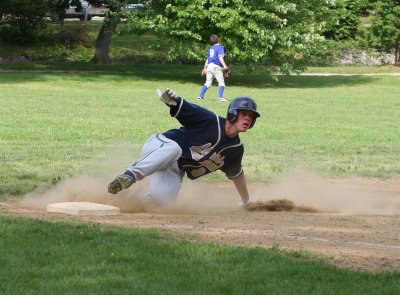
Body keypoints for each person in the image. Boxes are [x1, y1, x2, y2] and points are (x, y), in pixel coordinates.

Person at [108, 88, 260, 208]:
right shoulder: (210, 120)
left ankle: (118, 195)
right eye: (244, 113)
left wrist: (246, 201)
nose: (248, 118)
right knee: (175, 149)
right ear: (232, 113)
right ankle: (130, 175)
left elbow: (237, 175)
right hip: (160, 145)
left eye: (251, 117)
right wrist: (171, 100)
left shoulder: (235, 149)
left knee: (162, 203)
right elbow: (184, 106)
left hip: (174, 168)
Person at [198, 34, 230, 102]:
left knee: (207, 83)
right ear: (218, 39)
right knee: (221, 82)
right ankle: (220, 97)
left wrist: (204, 68)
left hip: (209, 66)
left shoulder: (211, 48)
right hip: (215, 66)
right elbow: (220, 58)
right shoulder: (220, 47)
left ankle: (200, 96)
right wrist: (225, 66)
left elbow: (207, 59)